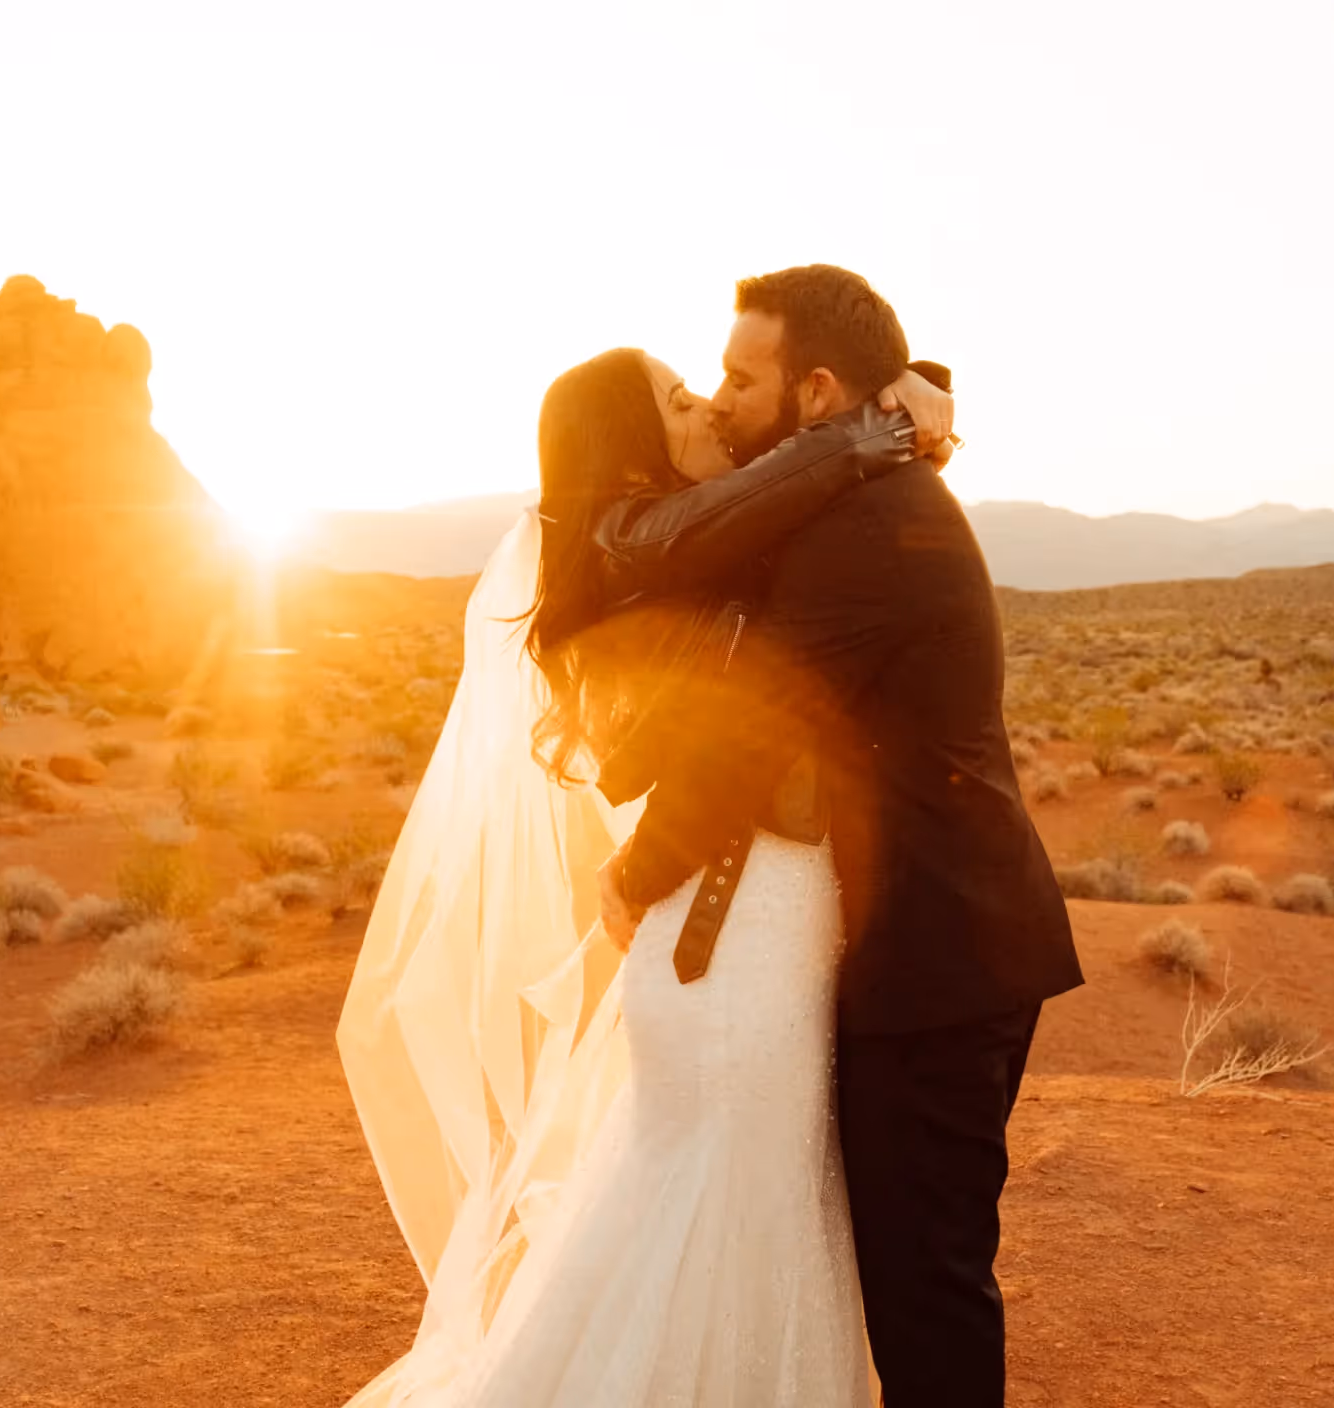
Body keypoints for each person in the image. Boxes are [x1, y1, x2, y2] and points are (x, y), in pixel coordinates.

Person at [338, 333, 955, 1406]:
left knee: (725, 1204)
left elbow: (789, 484)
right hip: (732, 928)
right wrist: (890, 416)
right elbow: (753, 697)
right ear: (632, 454)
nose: (713, 411)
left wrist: (913, 393)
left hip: (737, 924)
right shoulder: (652, 541)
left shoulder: (684, 544)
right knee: (730, 1210)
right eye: (680, 401)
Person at [595, 265, 1083, 1407]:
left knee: (926, 1287)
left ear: (816, 395)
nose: (718, 399)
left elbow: (757, 727)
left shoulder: (867, 525)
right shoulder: (853, 493)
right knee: (909, 1274)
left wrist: (633, 875)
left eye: (737, 375)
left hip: (941, 955)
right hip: (927, 945)